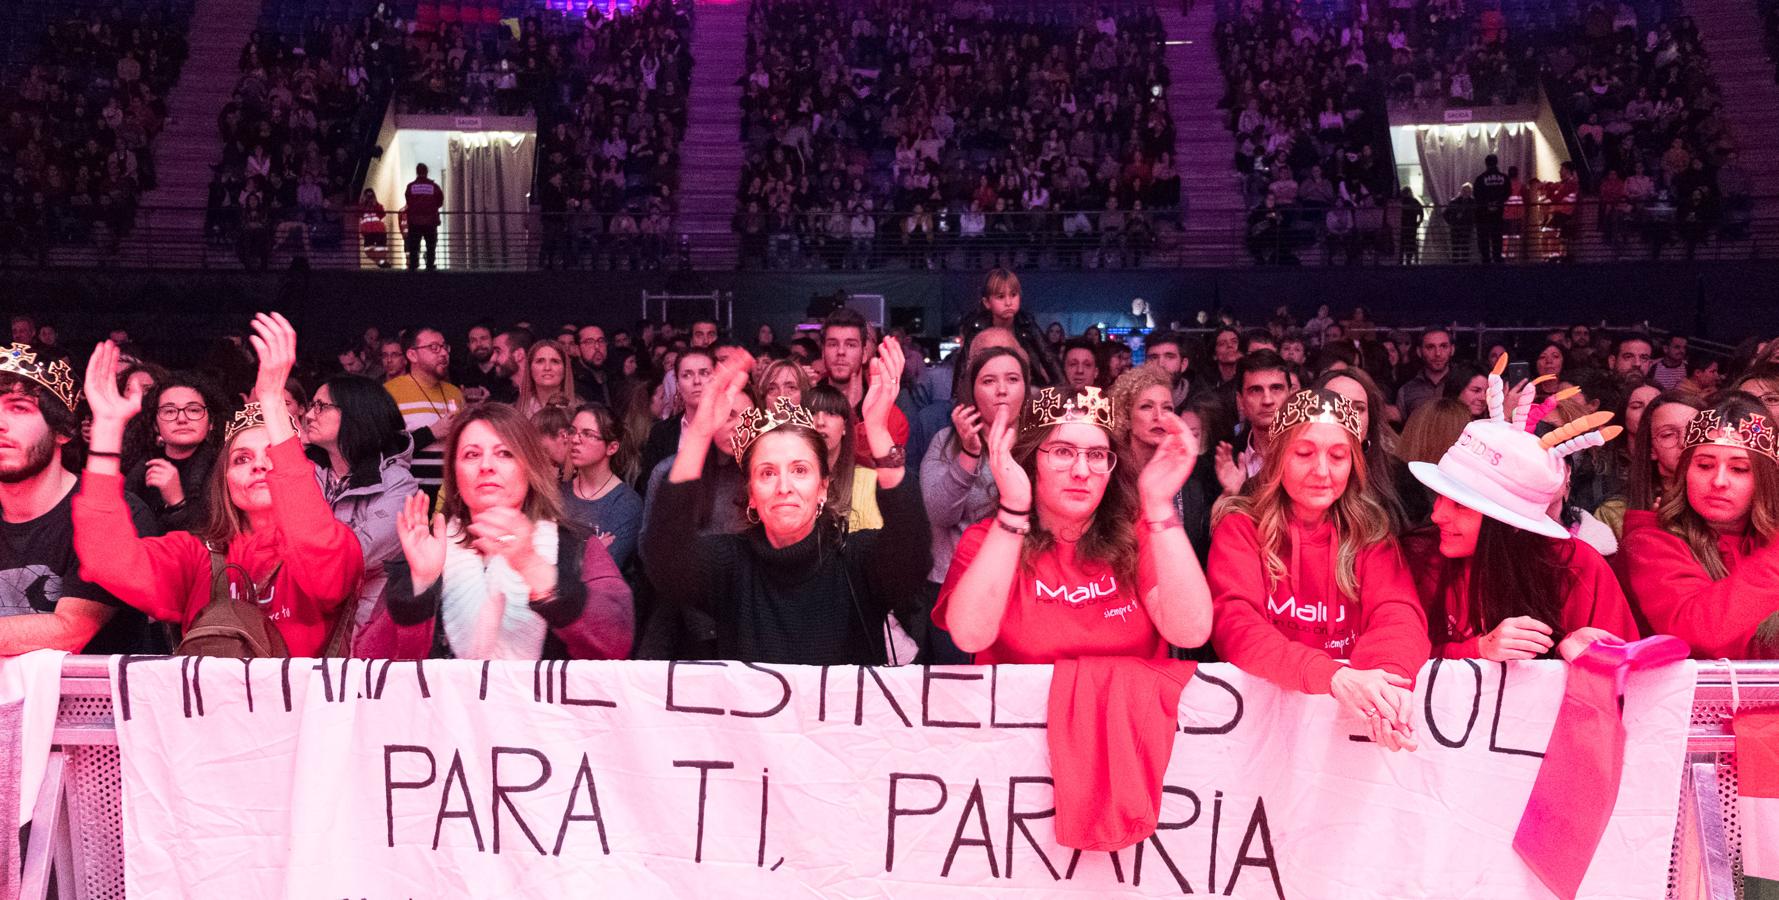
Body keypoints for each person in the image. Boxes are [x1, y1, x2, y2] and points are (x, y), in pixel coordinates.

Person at [75, 314, 364, 656]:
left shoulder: (337, 545)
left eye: (274, 454)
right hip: (208, 709)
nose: (260, 464)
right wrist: (107, 427)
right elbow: (106, 558)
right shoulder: (196, 556)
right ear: (223, 481)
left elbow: (314, 546)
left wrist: (271, 401)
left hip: (300, 709)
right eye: (241, 459)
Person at [642, 340, 930, 665]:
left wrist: (877, 429)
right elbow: (665, 560)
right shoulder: (730, 563)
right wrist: (699, 434)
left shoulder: (855, 557)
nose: (784, 487)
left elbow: (912, 553)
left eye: (800, 470)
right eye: (767, 473)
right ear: (751, 492)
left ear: (823, 487)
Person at [1209, 389, 1430, 752]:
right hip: (1264, 730)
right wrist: (1333, 676)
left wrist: (1385, 693)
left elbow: (1399, 614)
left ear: (1354, 464)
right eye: (1304, 454)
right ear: (1278, 457)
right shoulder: (1241, 527)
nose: (1322, 471)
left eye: (1338, 456)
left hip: (1348, 722)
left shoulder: (1370, 530)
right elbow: (1236, 625)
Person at [937, 382, 1214, 661]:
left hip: (1127, 704)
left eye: (1096, 455)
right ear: (1031, 462)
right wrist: (1013, 509)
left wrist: (1158, 504)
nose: (1081, 471)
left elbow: (1190, 632)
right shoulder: (987, 540)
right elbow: (969, 636)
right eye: (1062, 452)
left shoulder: (1138, 536)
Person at [360, 404, 635, 660]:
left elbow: (616, 642)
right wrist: (419, 585)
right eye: (472, 454)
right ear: (454, 474)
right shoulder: (429, 548)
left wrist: (532, 566)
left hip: (540, 712)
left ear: (529, 468)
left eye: (504, 453)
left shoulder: (577, 545)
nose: (486, 466)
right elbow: (368, 660)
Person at [1403, 367, 1638, 661]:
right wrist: (1476, 650)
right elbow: (1397, 659)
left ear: (1510, 522)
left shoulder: (1577, 566)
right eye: (1440, 496)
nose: (1437, 515)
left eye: (1460, 504)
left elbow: (1628, 675)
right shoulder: (1423, 557)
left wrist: (1574, 655)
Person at [0, 343, 155, 654]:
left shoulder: (117, 512)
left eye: (19, 408)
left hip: (90, 700)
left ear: (63, 431)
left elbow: (71, 630)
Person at [1622, 394, 1779, 658]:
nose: (1719, 481)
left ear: (1765, 480)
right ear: (1685, 471)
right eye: (1705, 465)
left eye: (1739, 469)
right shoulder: (1649, 542)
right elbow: (1695, 633)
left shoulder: (1768, 540)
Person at [920, 347, 1028, 663]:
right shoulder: (945, 440)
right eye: (989, 381)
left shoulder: (1042, 443)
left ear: (1026, 386)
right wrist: (968, 453)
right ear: (972, 391)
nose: (1002, 389)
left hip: (1025, 590)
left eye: (1012, 379)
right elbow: (939, 513)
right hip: (954, 587)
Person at [302, 374, 419, 637]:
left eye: (321, 406)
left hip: (361, 631)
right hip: (305, 622)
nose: (309, 415)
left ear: (357, 413)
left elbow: (354, 557)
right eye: (311, 405)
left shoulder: (399, 485)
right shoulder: (306, 471)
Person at [1111, 365, 1216, 563]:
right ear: (1126, 417)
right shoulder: (1111, 478)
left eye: (1167, 408)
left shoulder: (1189, 480)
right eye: (1146, 407)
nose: (1159, 416)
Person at [125, 374, 227, 534]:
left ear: (211, 422)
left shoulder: (225, 468)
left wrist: (177, 503)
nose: (181, 418)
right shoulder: (137, 466)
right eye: (169, 411)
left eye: (193, 410)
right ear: (155, 425)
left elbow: (218, 535)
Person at [818, 307, 909, 468]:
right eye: (832, 344)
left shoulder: (891, 417)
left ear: (865, 354)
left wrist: (854, 419)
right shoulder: (806, 405)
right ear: (823, 352)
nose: (840, 352)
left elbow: (886, 481)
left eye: (851, 345)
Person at [385, 326, 465, 499]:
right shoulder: (390, 392)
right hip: (409, 497)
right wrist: (431, 433)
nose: (443, 353)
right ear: (412, 355)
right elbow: (384, 449)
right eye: (434, 348)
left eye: (445, 347)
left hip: (451, 495)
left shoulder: (455, 393)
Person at [561, 404, 643, 572]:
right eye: (572, 431)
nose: (575, 440)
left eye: (587, 434)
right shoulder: (558, 493)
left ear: (612, 447)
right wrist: (592, 551)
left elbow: (604, 570)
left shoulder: (626, 504)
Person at [953, 268, 1064, 392]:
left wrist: (1065, 393)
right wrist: (958, 402)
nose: (1008, 302)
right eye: (1000, 296)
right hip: (988, 391)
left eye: (1013, 295)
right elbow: (962, 372)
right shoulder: (977, 328)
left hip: (1026, 389)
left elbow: (1050, 359)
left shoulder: (1027, 324)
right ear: (987, 302)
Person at [638, 348, 714, 497]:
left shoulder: (729, 427)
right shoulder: (661, 433)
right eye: (687, 375)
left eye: (704, 373)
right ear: (678, 385)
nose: (697, 381)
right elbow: (649, 489)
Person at [805, 385, 881, 531]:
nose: (820, 422)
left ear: (845, 426)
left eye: (831, 413)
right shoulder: (789, 481)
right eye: (812, 413)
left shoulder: (867, 480)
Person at [1396, 327, 1454, 418]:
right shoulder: (1406, 391)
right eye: (1430, 347)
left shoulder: (1464, 385)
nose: (1438, 353)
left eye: (1443, 346)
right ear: (1419, 351)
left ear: (1452, 349)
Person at [518, 339, 578, 417]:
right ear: (530, 369)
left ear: (565, 369)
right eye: (540, 361)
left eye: (555, 361)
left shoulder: (579, 411)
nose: (547, 367)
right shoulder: (516, 412)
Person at [402, 163, 444, 271]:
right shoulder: (434, 187)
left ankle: (414, 265)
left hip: (414, 221)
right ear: (426, 172)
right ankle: (430, 265)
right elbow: (440, 201)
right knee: (431, 245)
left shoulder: (411, 187)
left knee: (414, 245)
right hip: (430, 221)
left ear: (417, 172)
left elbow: (408, 201)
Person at [1473, 154, 1509, 263]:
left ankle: (1486, 257)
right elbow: (1508, 192)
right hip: (1498, 212)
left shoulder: (1481, 178)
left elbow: (1477, 194)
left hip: (1483, 213)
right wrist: (1497, 203)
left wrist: (1487, 204)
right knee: (1497, 236)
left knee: (1483, 236)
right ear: (1496, 162)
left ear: (1486, 163)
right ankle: (1497, 256)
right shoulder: (1504, 178)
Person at [357, 188, 390, 268]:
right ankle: (381, 263)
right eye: (367, 195)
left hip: (379, 230)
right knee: (369, 249)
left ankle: (381, 263)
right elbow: (358, 214)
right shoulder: (361, 207)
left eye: (371, 195)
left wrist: (374, 204)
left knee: (381, 248)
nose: (369, 197)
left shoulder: (378, 206)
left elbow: (382, 214)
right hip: (368, 231)